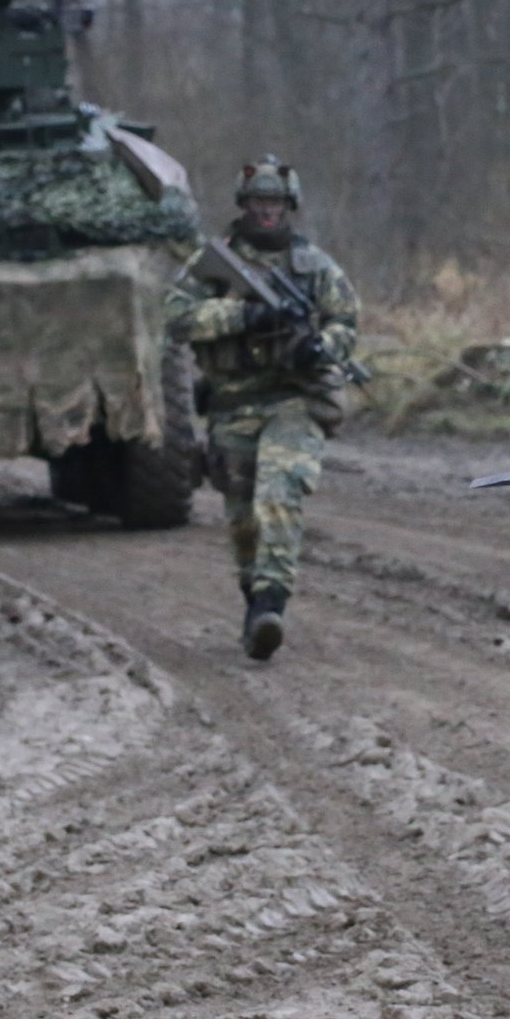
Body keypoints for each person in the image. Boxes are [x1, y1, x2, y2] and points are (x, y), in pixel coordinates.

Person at [165, 155, 361, 660]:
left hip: (294, 400)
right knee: (243, 520)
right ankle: (255, 604)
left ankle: (272, 603)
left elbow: (345, 322)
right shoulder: (215, 262)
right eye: (258, 203)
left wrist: (317, 348)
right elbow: (178, 318)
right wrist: (243, 315)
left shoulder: (315, 268)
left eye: (274, 203)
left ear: (288, 206)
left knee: (279, 494)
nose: (266, 212)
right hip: (232, 406)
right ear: (244, 205)